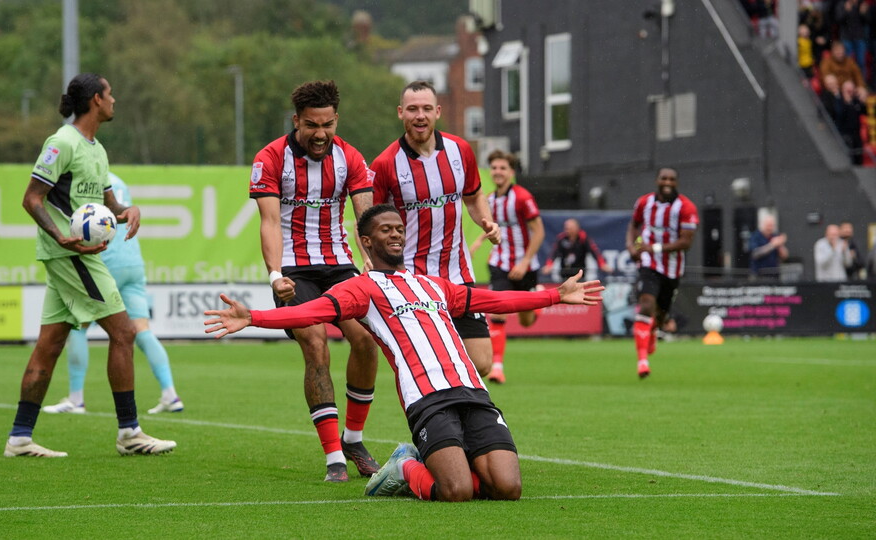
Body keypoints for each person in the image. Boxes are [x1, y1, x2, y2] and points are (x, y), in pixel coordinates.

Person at [203, 204, 604, 502]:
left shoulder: (434, 285)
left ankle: (455, 455)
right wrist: (253, 316)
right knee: (457, 491)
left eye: (399, 228)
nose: (395, 234)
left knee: (509, 488)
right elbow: (313, 312)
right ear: (366, 241)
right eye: (384, 230)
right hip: (427, 399)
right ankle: (404, 466)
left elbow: (494, 301)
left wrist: (554, 295)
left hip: (473, 391)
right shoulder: (362, 288)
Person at [5, 73, 175, 457]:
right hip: (70, 254)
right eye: (110, 94)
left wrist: (126, 210)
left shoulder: (96, 148)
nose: (115, 100)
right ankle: (130, 432)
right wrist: (60, 235)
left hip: (73, 253)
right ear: (96, 100)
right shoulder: (61, 142)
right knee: (124, 332)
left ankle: (19, 437)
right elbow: (32, 198)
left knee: (49, 346)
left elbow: (107, 202)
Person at [250, 80, 379, 483]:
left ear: (336, 119)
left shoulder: (350, 158)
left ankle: (354, 439)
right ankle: (333, 456)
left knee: (365, 340)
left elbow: (364, 221)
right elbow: (269, 222)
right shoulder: (271, 158)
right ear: (296, 121)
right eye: (311, 125)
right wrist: (275, 276)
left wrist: (371, 265)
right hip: (293, 270)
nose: (320, 134)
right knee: (316, 342)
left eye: (327, 124)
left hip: (340, 267)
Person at [370, 80, 501, 377]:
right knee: (432, 363)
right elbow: (370, 220)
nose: (420, 116)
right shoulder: (385, 163)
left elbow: (474, 195)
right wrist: (373, 262)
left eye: (427, 109)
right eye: (413, 109)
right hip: (413, 279)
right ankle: (442, 418)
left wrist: (486, 221)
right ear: (400, 113)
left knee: (481, 362)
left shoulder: (460, 150)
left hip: (458, 274)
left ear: (438, 112)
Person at [42, 173, 184, 416]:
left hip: (105, 261)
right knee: (142, 330)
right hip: (132, 262)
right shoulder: (118, 181)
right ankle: (170, 393)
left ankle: (76, 398)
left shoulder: (83, 180)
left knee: (79, 326)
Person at [469, 150, 544, 384]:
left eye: (502, 168)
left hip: (525, 264)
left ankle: (536, 306)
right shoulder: (489, 199)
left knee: (525, 321)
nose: (497, 172)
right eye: (494, 168)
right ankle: (497, 368)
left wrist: (524, 262)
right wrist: (478, 242)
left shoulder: (522, 197)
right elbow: (492, 227)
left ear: (511, 172)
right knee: (497, 312)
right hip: (499, 262)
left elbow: (539, 232)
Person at [625, 167, 698, 379]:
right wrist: (632, 246)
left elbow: (686, 242)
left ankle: (654, 331)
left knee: (660, 314)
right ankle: (642, 362)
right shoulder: (644, 203)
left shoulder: (686, 207)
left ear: (677, 182)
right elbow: (634, 225)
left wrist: (654, 248)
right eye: (664, 178)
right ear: (657, 180)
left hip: (672, 268)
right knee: (646, 304)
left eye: (672, 179)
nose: (667, 182)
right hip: (648, 264)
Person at [542, 218, 613, 280]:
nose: (567, 230)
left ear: (576, 228)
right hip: (564, 273)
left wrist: (602, 264)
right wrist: (549, 265)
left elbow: (594, 252)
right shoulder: (561, 238)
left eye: (569, 228)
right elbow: (554, 253)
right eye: (566, 228)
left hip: (580, 274)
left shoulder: (584, 238)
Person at [748, 214, 789, 279]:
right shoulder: (755, 236)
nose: (770, 228)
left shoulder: (775, 235)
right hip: (759, 275)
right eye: (768, 225)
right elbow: (755, 254)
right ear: (763, 225)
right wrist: (772, 245)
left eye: (772, 225)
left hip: (774, 275)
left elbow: (784, 256)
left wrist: (780, 244)